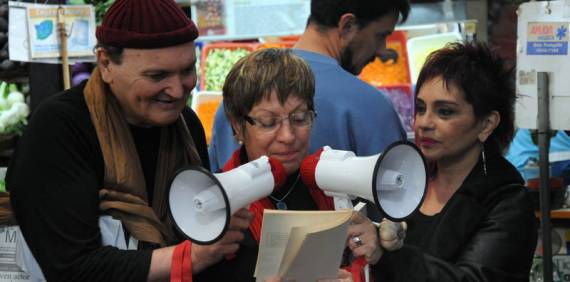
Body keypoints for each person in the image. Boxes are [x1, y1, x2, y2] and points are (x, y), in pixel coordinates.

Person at [5, 0, 252, 281]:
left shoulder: (185, 124)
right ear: (106, 64)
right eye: (157, 75)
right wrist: (191, 257)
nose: (176, 89)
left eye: (186, 70)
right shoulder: (60, 129)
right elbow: (73, 268)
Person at [194, 48, 403, 282]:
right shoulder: (215, 208)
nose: (288, 136)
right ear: (237, 126)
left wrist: (376, 255)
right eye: (268, 122)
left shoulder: (338, 183)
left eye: (300, 118)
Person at [365, 42, 538, 281]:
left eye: (445, 112)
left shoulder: (507, 202)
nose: (424, 123)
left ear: (487, 124)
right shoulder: (403, 179)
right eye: (421, 108)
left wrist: (387, 256)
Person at [208, 0, 411, 173]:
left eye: (300, 119)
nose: (383, 50)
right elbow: (396, 202)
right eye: (381, 35)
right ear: (347, 25)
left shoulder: (236, 98)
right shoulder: (371, 107)